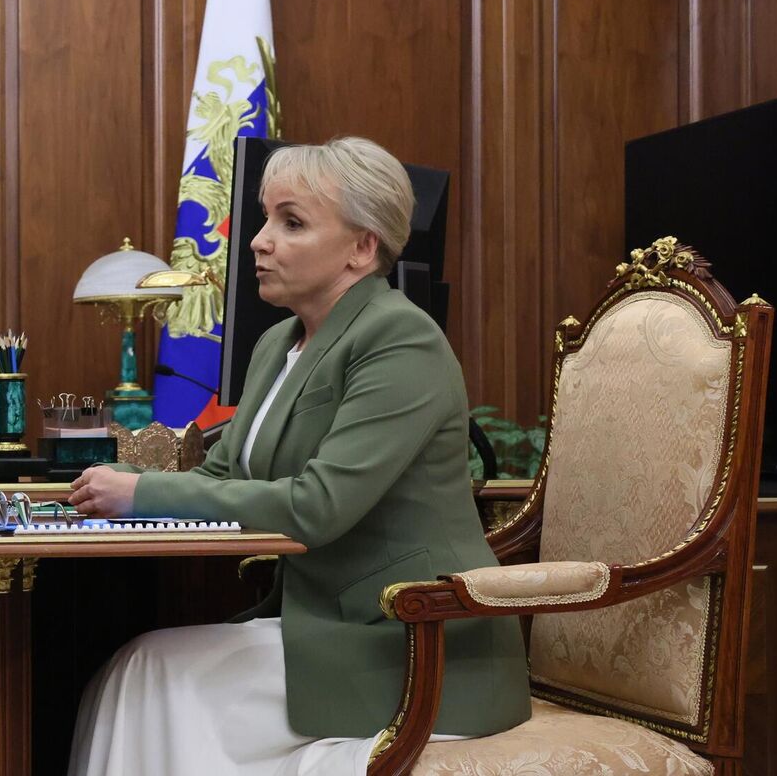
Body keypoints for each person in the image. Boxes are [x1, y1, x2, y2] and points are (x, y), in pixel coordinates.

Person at [65, 137, 528, 776]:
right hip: (327, 624)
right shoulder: (276, 344)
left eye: (292, 223)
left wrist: (139, 494)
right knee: (137, 669)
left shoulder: (401, 339)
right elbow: (221, 474)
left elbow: (318, 506)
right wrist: (119, 481)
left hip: (418, 642)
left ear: (362, 248)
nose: (259, 241)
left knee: (150, 677)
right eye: (266, 219)